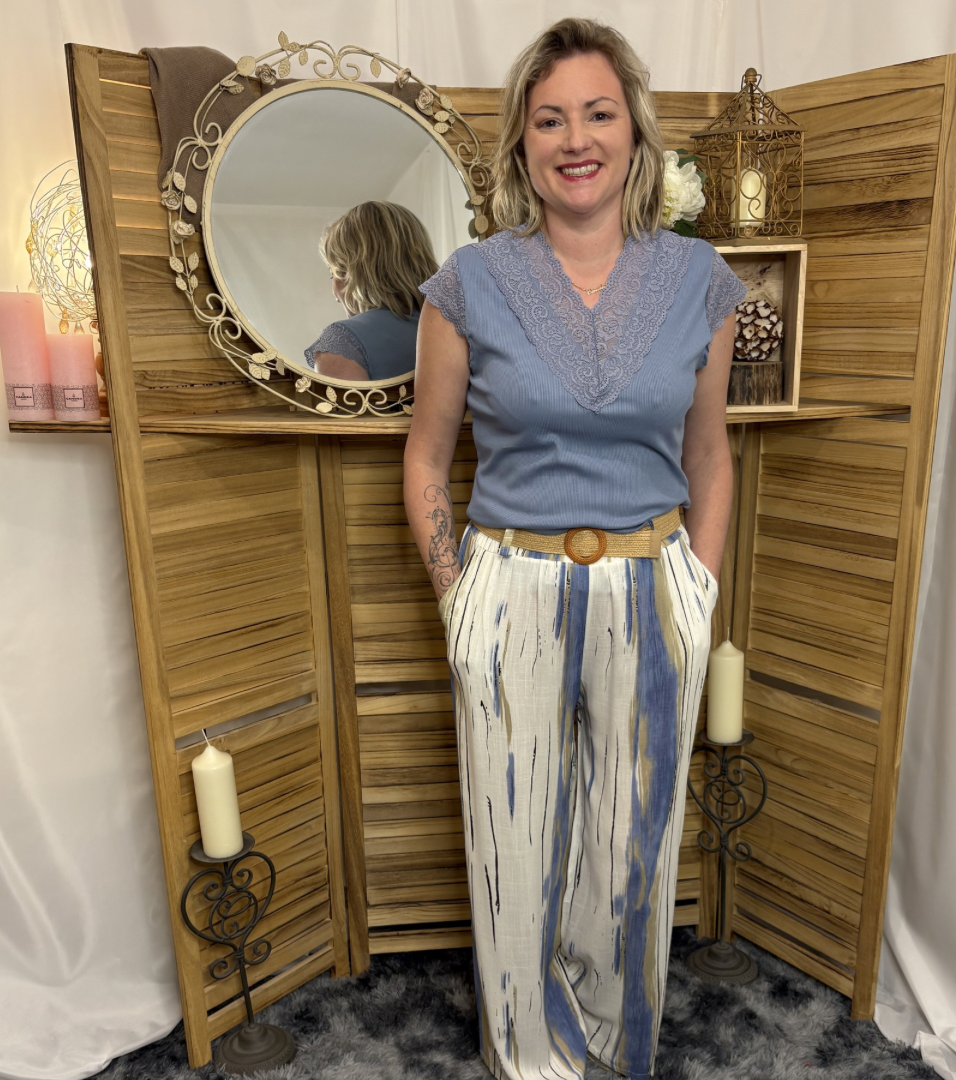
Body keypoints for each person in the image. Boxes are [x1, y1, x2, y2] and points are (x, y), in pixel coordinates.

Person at [403, 18, 744, 1080]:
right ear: (522, 142)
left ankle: (614, 1050)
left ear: (634, 131)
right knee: (513, 847)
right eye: (549, 119)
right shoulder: (468, 283)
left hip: (654, 580)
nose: (576, 139)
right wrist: (460, 598)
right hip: (511, 584)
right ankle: (527, 1060)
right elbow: (426, 459)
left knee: (630, 847)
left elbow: (711, 454)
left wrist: (698, 587)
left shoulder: (700, 280)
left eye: (598, 113)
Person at [304, 201, 438, 381]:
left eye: (333, 273)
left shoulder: (342, 342)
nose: (335, 295)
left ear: (352, 274)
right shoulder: (460, 326)